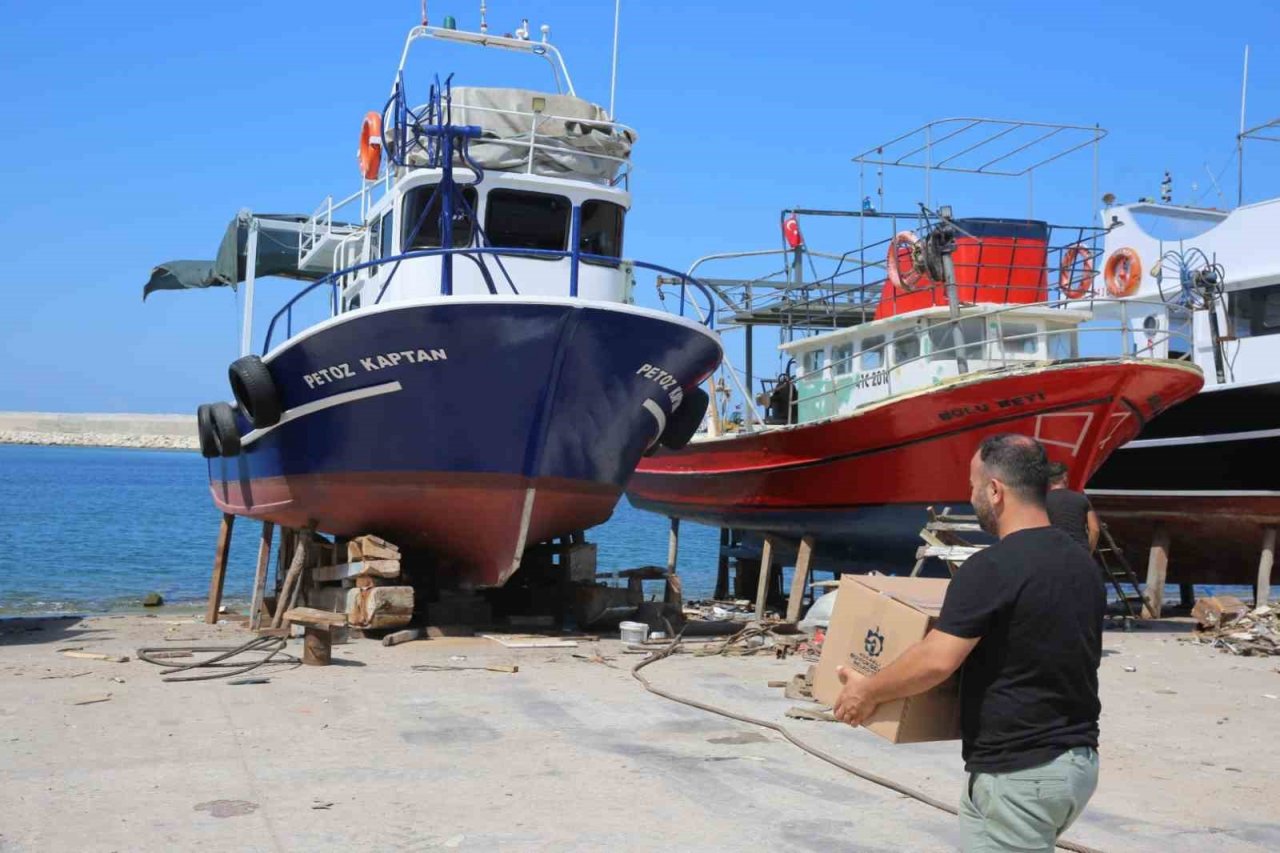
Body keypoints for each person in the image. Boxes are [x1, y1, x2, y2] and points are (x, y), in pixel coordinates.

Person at [833, 434, 1104, 852]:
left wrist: (865, 691)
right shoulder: (1081, 565)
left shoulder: (991, 567)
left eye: (973, 486)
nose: (970, 495)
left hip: (1020, 773)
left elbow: (936, 660)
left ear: (995, 491)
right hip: (1074, 763)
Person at [1045, 461, 1100, 553]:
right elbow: (1095, 529)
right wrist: (1088, 553)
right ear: (1065, 477)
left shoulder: (1041, 501)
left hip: (1052, 552)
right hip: (1079, 552)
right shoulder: (1081, 499)